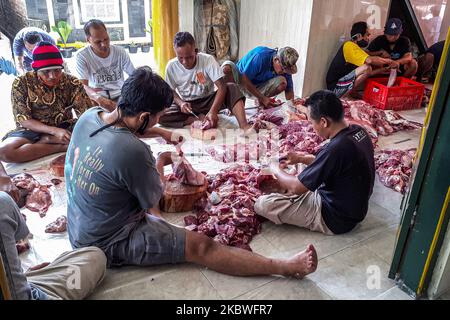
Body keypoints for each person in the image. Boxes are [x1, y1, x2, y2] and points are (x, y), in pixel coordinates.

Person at [66, 66, 317, 280]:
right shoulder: (132, 151)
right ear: (144, 115)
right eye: (157, 119)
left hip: (79, 225)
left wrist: (162, 133)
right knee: (201, 247)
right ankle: (284, 267)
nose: (157, 123)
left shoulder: (90, 117)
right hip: (106, 242)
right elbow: (154, 200)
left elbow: (125, 129)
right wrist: (163, 161)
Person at [255, 90, 375, 235]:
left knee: (263, 205)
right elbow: (334, 163)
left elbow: (296, 188)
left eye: (312, 122)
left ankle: (291, 199)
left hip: (336, 218)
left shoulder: (336, 149)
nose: (311, 126)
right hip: (352, 206)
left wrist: (274, 168)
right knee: (298, 166)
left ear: (324, 122)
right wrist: (301, 158)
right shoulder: (357, 130)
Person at [0, 163, 106, 300]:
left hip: (15, 286)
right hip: (25, 295)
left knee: (92, 256)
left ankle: (18, 281)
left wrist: (17, 276)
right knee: (94, 257)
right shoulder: (3, 203)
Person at [0, 42, 92, 164]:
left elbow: (86, 115)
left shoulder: (72, 82)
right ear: (35, 69)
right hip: (31, 130)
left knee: (96, 136)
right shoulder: (22, 83)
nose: (52, 76)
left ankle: (45, 143)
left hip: (64, 127)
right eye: (46, 71)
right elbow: (23, 119)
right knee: (5, 152)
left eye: (57, 70)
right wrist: (53, 131)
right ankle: (61, 147)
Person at [158, 32, 252, 132]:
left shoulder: (208, 60)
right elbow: (171, 91)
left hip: (209, 101)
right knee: (158, 113)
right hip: (189, 106)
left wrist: (213, 111)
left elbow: (222, 87)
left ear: (196, 51)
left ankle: (244, 125)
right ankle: (193, 119)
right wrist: (181, 103)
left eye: (189, 57)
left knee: (232, 88)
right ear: (175, 53)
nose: (185, 62)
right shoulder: (171, 66)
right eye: (180, 58)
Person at [75, 19, 135, 111]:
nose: (104, 44)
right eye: (98, 42)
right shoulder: (82, 56)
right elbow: (83, 86)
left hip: (120, 95)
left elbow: (134, 75)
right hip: (97, 97)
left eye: (106, 39)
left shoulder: (120, 52)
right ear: (88, 40)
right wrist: (98, 98)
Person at [326, 21, 393, 98]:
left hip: (339, 86)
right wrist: (390, 61)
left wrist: (384, 69)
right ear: (359, 36)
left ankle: (349, 94)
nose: (368, 38)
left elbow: (369, 73)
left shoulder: (356, 49)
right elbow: (370, 60)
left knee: (368, 68)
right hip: (335, 88)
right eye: (367, 35)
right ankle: (344, 96)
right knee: (367, 67)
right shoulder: (349, 46)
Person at [222, 46, 299, 108]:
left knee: (282, 82)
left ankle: (260, 100)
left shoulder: (285, 66)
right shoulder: (260, 57)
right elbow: (244, 78)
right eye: (282, 69)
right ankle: (258, 99)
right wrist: (262, 98)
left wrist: (292, 106)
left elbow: (289, 90)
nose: (284, 72)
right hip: (240, 83)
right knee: (227, 69)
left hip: (256, 85)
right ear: (276, 60)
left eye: (285, 70)